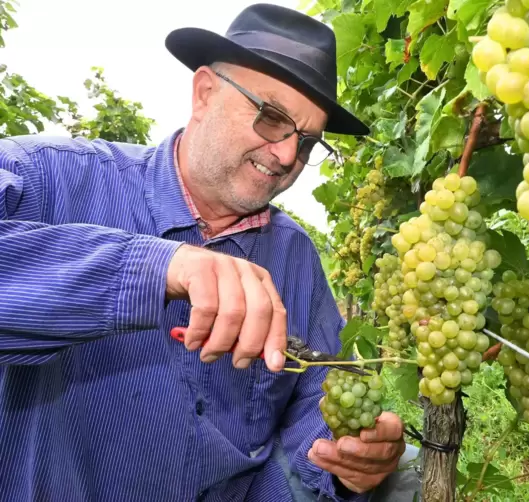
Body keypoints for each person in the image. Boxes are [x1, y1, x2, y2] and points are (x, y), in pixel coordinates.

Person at [0, 4, 420, 501]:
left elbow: (315, 399)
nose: (287, 156)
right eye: (271, 117)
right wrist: (155, 265)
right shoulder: (49, 178)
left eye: (307, 143)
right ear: (204, 93)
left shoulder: (294, 256)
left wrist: (344, 463)